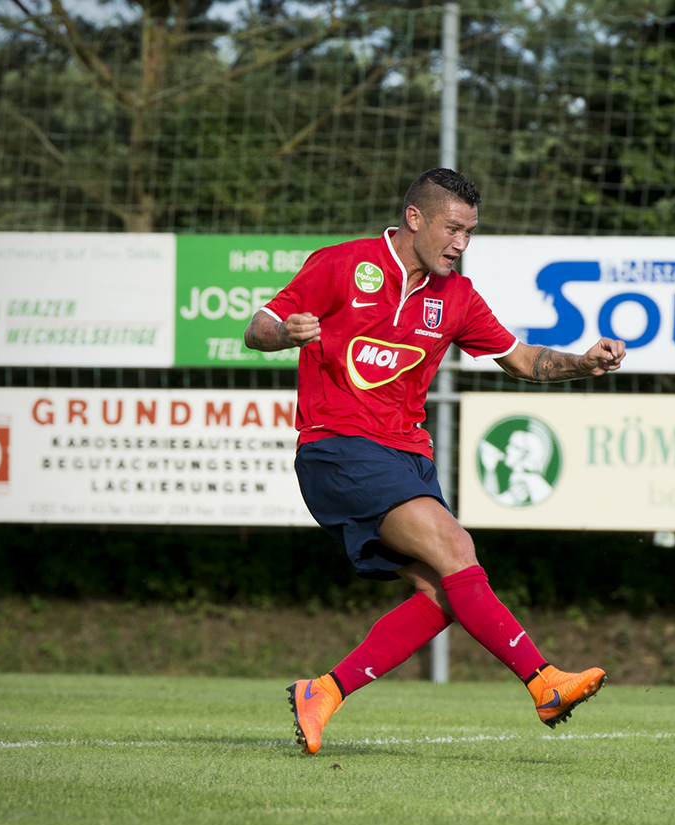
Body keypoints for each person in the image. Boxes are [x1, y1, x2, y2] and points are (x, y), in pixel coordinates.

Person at [244, 168, 625, 754]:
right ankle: (544, 681)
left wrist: (583, 362)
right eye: (452, 229)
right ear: (415, 217)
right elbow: (258, 328)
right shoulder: (342, 264)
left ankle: (322, 692)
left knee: (444, 595)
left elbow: (522, 359)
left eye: (470, 232)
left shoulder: (458, 297)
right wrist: (286, 333)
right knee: (456, 549)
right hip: (338, 447)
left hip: (407, 458)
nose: (461, 243)